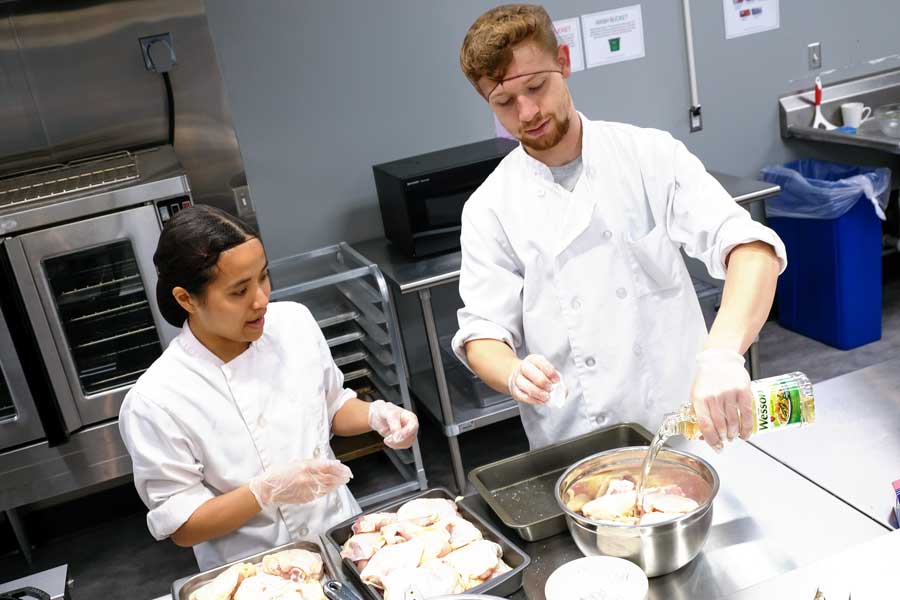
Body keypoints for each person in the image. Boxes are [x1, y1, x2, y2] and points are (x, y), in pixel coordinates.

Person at [451, 4, 786, 451]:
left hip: (685, 425)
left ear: (564, 62)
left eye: (536, 86)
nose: (527, 111)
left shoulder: (647, 155)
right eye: (505, 102)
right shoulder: (489, 208)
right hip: (574, 444)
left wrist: (724, 353)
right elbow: (482, 333)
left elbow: (749, 249)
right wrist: (512, 372)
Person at [119, 206, 418, 569]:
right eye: (239, 291)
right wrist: (264, 492)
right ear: (186, 299)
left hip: (344, 539)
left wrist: (377, 414)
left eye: (263, 277)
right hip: (256, 572)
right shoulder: (157, 400)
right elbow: (183, 525)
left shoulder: (293, 323)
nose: (261, 299)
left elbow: (331, 407)